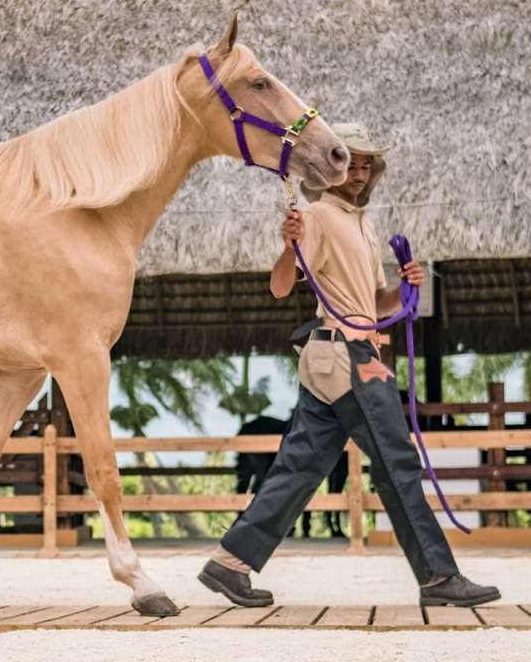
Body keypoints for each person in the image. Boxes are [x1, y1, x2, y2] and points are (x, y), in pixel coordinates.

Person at [198, 123, 501, 608]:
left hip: (335, 352)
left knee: (302, 465)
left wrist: (404, 288)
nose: (358, 172)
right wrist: (287, 244)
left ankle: (229, 564)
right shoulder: (316, 215)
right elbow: (280, 287)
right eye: (349, 161)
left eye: (366, 164)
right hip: (347, 355)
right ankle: (438, 577)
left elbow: (373, 304)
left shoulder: (362, 223)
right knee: (397, 461)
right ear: (329, 164)